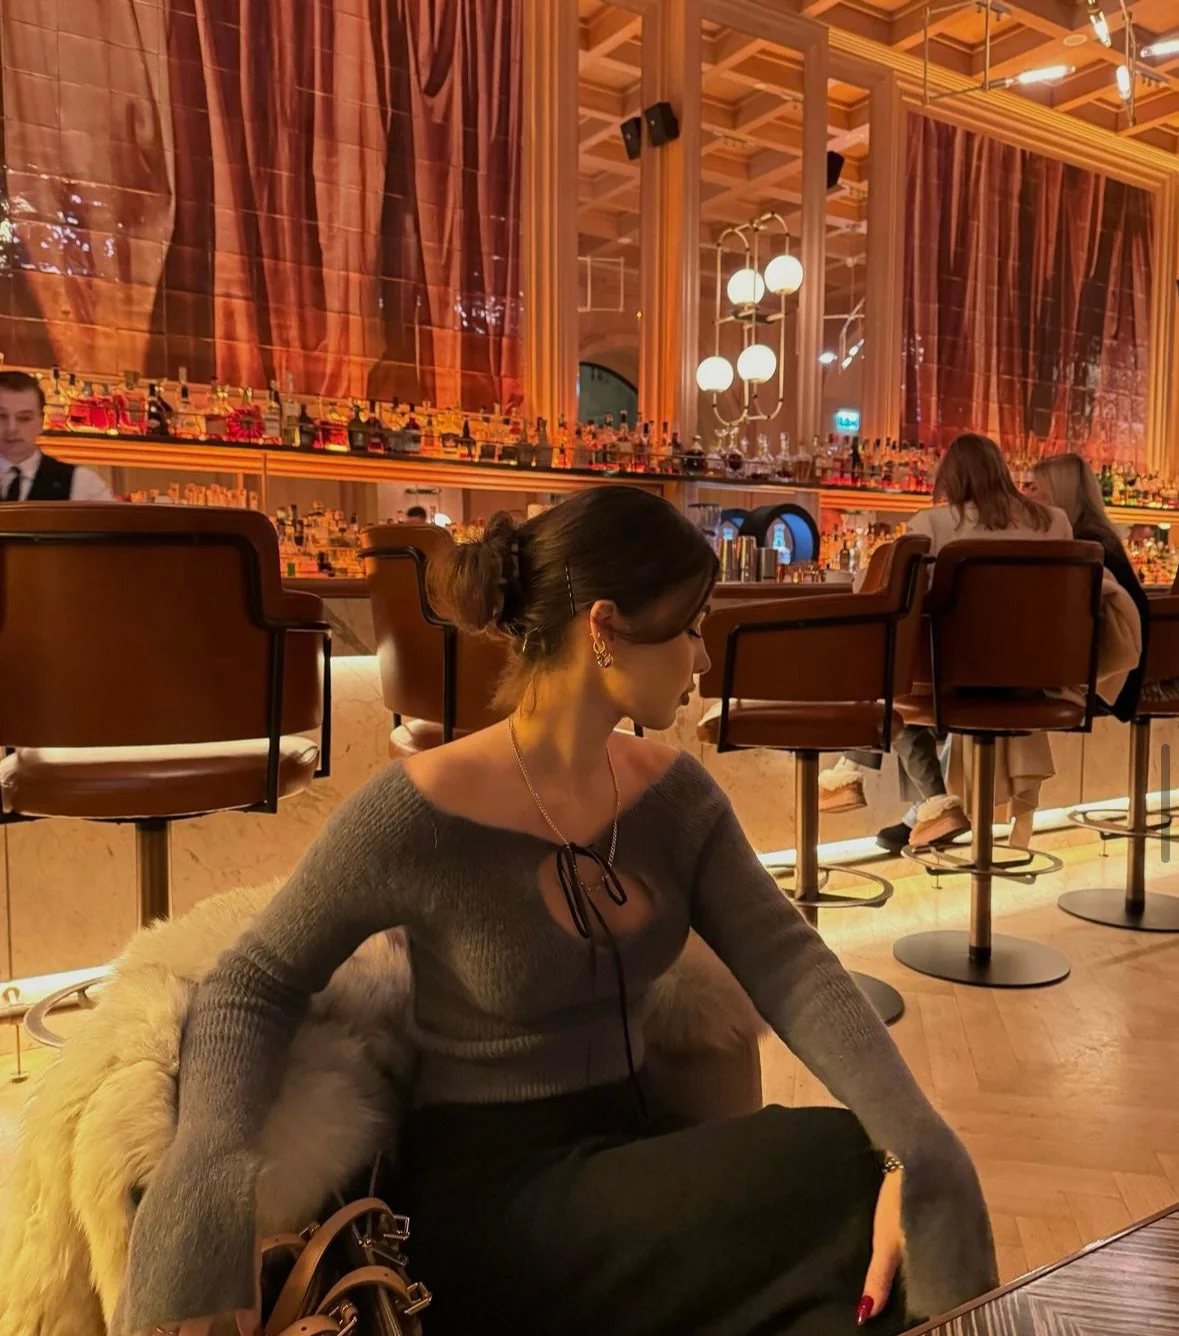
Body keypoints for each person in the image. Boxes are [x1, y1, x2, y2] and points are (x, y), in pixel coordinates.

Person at [114, 486, 996, 1336]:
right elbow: (254, 982)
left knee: (873, 1237)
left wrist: (914, 1139)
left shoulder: (677, 798)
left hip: (635, 1161)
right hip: (489, 1210)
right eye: (688, 628)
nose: (701, 659)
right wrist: (207, 1182)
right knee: (837, 1165)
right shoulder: (417, 812)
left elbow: (792, 967)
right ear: (604, 628)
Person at [822, 433, 1071, 854]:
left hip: (957, 683)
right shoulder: (1054, 522)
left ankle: (928, 798)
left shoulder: (935, 523)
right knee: (894, 683)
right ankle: (907, 795)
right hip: (1038, 682)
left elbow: (880, 590)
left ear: (950, 479)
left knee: (887, 681)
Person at [1027, 452, 1149, 721]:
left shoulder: (1084, 546)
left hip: (1103, 682)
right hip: (1116, 677)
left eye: (1034, 487)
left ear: (1057, 493)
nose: (1026, 496)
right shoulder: (1099, 537)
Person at [0, 370, 112, 501]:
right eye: (1, 416)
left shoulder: (83, 484)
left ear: (41, 421)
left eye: (24, 418)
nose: (11, 428)